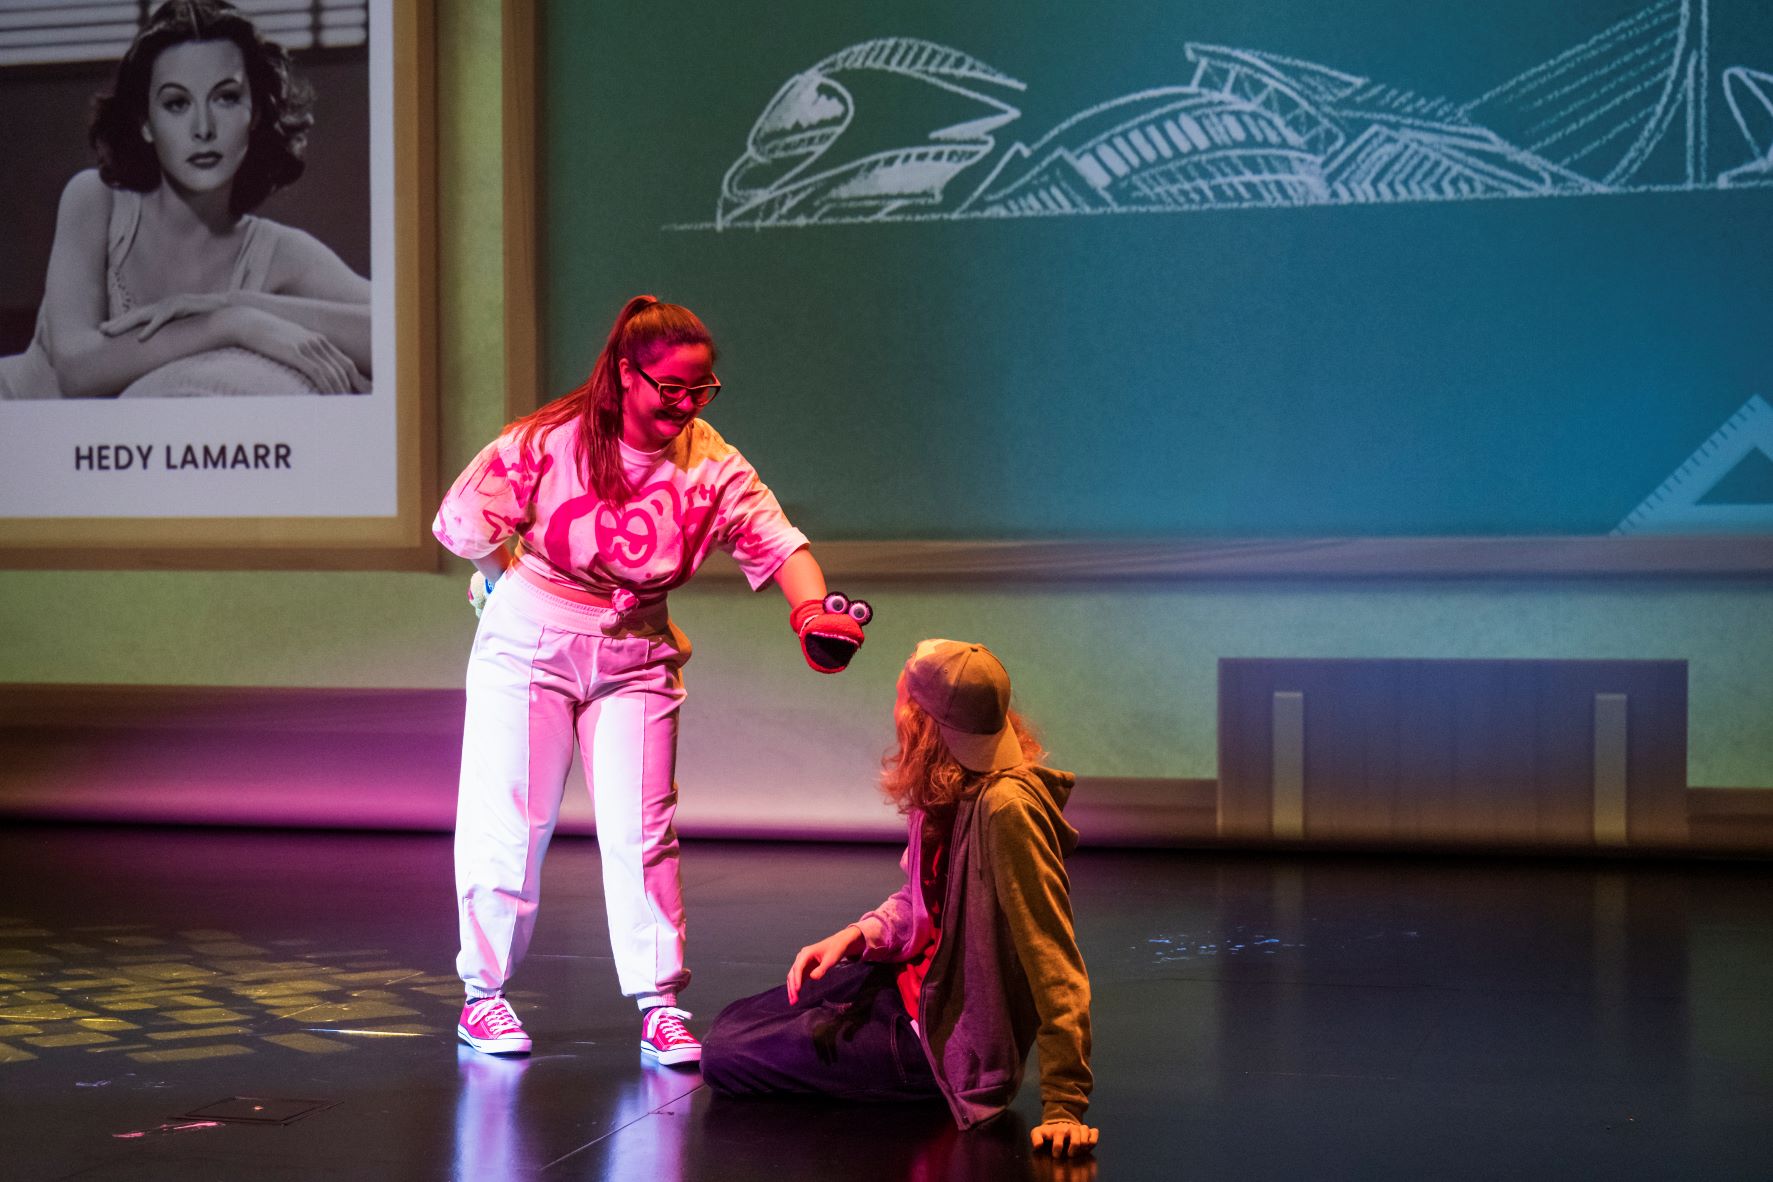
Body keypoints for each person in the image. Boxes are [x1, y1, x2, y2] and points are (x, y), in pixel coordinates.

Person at [434, 294, 870, 1067]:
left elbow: (777, 541)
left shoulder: (710, 460)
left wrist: (811, 613)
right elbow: (466, 518)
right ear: (625, 375)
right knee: (511, 820)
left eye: (701, 389)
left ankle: (660, 1005)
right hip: (532, 638)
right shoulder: (553, 439)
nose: (686, 404)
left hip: (636, 648)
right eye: (671, 387)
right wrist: (496, 577)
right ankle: (483, 996)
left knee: (643, 830)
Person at [702, 640, 1100, 1160]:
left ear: (919, 722)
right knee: (735, 1020)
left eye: (899, 699)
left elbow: (1055, 963)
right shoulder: (948, 787)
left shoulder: (1007, 812)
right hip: (907, 985)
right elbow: (920, 901)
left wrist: (1065, 1105)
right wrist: (856, 935)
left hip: (934, 1046)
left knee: (723, 1054)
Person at [0, 0, 370, 400]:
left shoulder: (277, 252)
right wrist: (231, 323)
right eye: (177, 103)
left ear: (256, 114)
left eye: (226, 97)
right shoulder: (94, 199)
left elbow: (399, 331)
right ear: (145, 122)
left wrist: (241, 303)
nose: (203, 128)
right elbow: (77, 371)